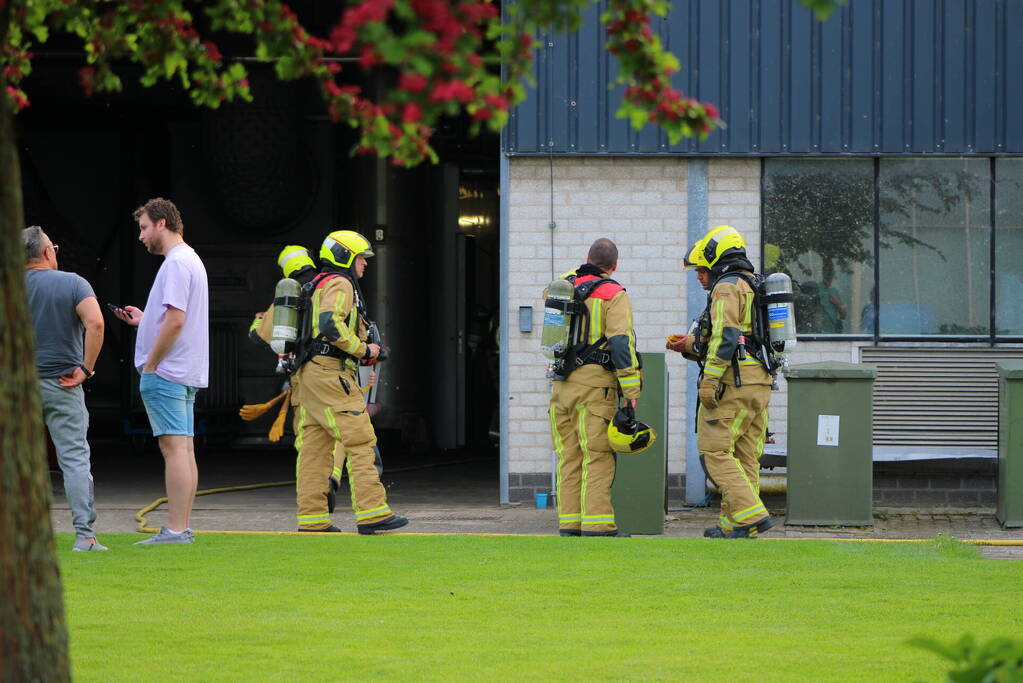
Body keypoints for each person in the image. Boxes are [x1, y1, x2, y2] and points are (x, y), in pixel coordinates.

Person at [289, 230, 407, 533]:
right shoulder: (340, 283)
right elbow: (331, 325)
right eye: (361, 258)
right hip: (331, 375)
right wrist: (363, 349)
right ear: (344, 257)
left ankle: (313, 518)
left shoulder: (316, 285)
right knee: (360, 440)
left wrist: (369, 349)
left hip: (310, 375)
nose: (365, 264)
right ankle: (372, 512)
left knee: (315, 448)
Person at [667, 225, 774, 538]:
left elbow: (726, 337)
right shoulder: (753, 284)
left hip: (733, 382)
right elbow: (735, 337)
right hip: (759, 382)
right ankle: (735, 525)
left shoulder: (726, 286)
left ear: (716, 260)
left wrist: (710, 381)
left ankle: (752, 515)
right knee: (744, 455)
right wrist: (688, 344)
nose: (700, 277)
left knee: (713, 452)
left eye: (701, 270)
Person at [113, 198, 209, 546]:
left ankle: (175, 530)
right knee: (184, 449)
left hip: (168, 371)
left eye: (143, 228)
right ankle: (181, 527)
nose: (140, 236)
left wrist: (151, 362)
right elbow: (173, 318)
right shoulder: (191, 260)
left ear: (161, 224)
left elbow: (177, 319)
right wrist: (144, 321)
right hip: (185, 371)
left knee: (174, 450)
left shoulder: (174, 265)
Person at [548, 238, 641, 537]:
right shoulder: (614, 293)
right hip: (594, 385)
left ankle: (570, 523)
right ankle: (598, 525)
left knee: (569, 456)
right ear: (613, 267)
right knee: (597, 455)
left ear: (586, 259)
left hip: (562, 385)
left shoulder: (563, 286)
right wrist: (631, 390)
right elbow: (620, 343)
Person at [23, 226, 107, 552]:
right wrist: (85, 369)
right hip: (63, 384)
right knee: (73, 460)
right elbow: (96, 323)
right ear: (47, 252)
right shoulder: (74, 283)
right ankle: (84, 536)